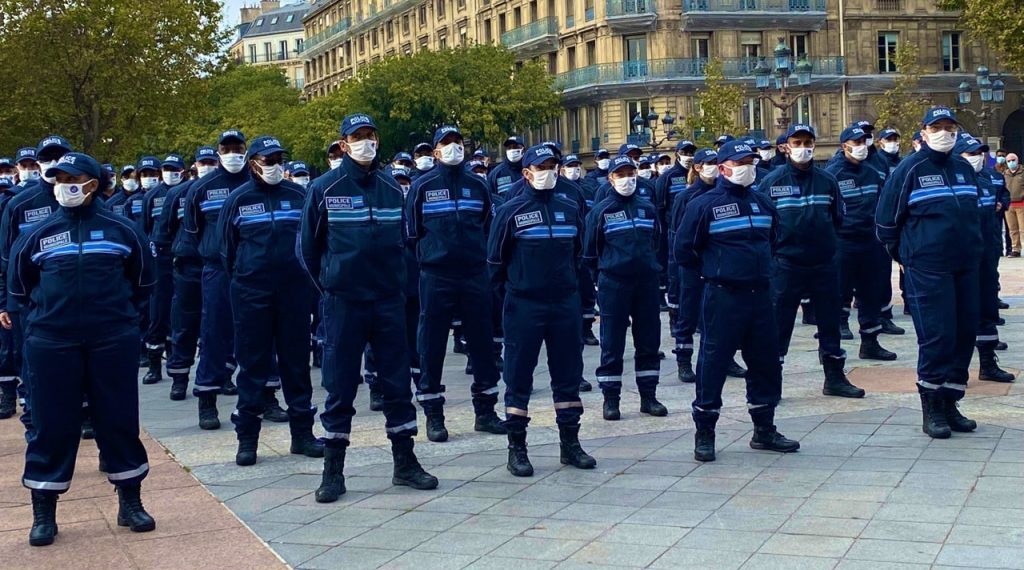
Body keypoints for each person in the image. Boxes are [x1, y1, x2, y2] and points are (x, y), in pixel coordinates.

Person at [10, 152, 156, 546]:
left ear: (92, 184)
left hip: (112, 338)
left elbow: (143, 283)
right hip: (51, 341)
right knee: (50, 423)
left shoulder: (122, 230)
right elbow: (20, 289)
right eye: (57, 179)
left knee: (118, 418)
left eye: (71, 178)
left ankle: (130, 502)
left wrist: (122, 321)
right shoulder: (37, 234)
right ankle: (44, 510)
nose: (63, 185)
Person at [299, 113, 438, 503]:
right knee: (340, 386)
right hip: (344, 303)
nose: (366, 142)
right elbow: (307, 249)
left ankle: (405, 463)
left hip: (388, 303)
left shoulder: (392, 187)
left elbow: (407, 243)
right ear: (343, 144)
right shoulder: (324, 188)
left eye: (370, 135)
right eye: (357, 137)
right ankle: (333, 471)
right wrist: (329, 289)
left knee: (396, 383)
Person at [675, 139, 800, 462]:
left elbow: (775, 240)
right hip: (722, 295)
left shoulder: (762, 202)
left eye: (751, 162)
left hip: (760, 295)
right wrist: (715, 271)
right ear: (723, 168)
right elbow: (684, 251)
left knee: (765, 362)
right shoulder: (703, 205)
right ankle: (705, 431)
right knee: (714, 363)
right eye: (741, 162)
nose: (747, 167)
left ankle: (764, 429)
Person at [487, 144, 596, 477]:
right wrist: (517, 291)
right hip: (524, 304)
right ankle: (517, 448)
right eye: (541, 166)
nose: (548, 172)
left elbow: (579, 255)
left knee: (567, 374)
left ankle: (570, 444)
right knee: (519, 375)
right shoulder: (511, 211)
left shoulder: (569, 206)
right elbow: (494, 263)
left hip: (564, 303)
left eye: (553, 165)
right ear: (527, 172)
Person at [876, 106, 983, 439]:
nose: (945, 132)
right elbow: (885, 222)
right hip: (928, 267)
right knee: (938, 335)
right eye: (937, 127)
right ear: (923, 132)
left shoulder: (963, 167)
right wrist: (908, 254)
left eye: (950, 127)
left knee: (965, 332)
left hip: (965, 265)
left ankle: (951, 400)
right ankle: (932, 406)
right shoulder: (910, 169)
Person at [218, 136, 323, 466]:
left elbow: (314, 241)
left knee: (296, 364)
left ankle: (302, 434)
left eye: (279, 158)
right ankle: (247, 438)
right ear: (253, 164)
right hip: (251, 292)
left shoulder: (299, 195)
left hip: (293, 291)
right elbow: (227, 251)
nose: (275, 165)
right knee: (252, 366)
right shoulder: (238, 200)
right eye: (268, 159)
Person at [405, 125, 506, 441]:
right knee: (432, 344)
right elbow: (410, 234)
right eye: (446, 143)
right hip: (436, 275)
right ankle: (434, 414)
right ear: (435, 152)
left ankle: (486, 411)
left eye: (457, 142)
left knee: (482, 343)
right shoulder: (422, 187)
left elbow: (490, 228)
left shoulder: (478, 186)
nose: (453, 147)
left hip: (475, 274)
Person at [760, 124, 867, 399]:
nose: (803, 148)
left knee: (830, 322)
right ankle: (771, 382)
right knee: (778, 324)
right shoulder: (771, 182)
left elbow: (837, 217)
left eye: (808, 142)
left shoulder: (827, 180)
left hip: (824, 263)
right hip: (785, 264)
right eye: (797, 142)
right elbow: (762, 225)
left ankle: (834, 377)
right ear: (786, 146)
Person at [0, 135, 74, 437]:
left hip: (75, 298)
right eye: (47, 159)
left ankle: (81, 415)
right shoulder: (19, 204)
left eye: (59, 158)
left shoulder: (82, 200)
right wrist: (4, 301)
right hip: (31, 301)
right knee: (33, 363)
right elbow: (5, 258)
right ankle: (36, 423)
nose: (52, 165)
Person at [584, 155, 667, 421]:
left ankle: (649, 396)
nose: (628, 179)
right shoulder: (601, 211)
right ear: (611, 178)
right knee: (612, 342)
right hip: (614, 283)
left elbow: (657, 241)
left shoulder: (647, 208)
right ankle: (611, 399)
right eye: (621, 174)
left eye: (631, 173)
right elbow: (589, 252)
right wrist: (602, 277)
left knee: (649, 340)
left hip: (645, 282)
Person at [184, 130, 252, 429]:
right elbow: (194, 230)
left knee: (260, 334)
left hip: (253, 272)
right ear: (218, 152)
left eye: (238, 147)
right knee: (213, 333)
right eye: (227, 148)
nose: (233, 153)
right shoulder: (201, 188)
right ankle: (207, 400)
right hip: (217, 270)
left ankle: (267, 395)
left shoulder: (256, 181)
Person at [825, 126, 899, 366]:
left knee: (871, 291)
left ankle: (870, 341)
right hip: (844, 240)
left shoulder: (873, 172)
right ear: (844, 145)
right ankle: (839, 324)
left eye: (864, 141)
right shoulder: (832, 174)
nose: (861, 147)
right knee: (840, 288)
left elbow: (883, 201)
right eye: (855, 142)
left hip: (871, 240)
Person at [153, 147, 217, 400]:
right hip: (188, 267)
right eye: (204, 162)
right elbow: (163, 232)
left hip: (217, 267)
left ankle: (219, 375)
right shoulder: (178, 194)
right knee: (184, 325)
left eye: (212, 161)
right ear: (194, 165)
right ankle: (179, 377)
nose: (208, 166)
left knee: (218, 325)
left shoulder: (228, 190)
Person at [956, 135, 1015, 383]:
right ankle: (957, 369)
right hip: (960, 258)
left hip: (987, 254)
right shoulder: (954, 181)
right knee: (960, 314)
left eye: (979, 153)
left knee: (987, 309)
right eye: (970, 154)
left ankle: (988, 362)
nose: (977, 158)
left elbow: (1003, 198)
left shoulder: (988, 179)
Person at [138, 154, 186, 386]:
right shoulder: (151, 197)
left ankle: (176, 363)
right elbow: (146, 228)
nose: (170, 173)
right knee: (157, 313)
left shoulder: (190, 192)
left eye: (175, 169)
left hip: (184, 259)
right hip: (161, 260)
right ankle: (154, 364)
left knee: (180, 315)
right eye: (167, 169)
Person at [0, 161, 21, 419]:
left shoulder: (15, 204)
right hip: (6, 285)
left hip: (18, 281)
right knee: (5, 347)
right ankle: (7, 393)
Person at [1003, 153, 1023, 257]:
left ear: (1017, 160)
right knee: (1013, 229)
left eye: (1013, 160)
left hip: (1022, 204)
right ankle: (1016, 249)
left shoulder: (1023, 172)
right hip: (1009, 205)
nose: (1011, 162)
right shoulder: (1005, 174)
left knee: (1023, 229)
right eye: (1009, 161)